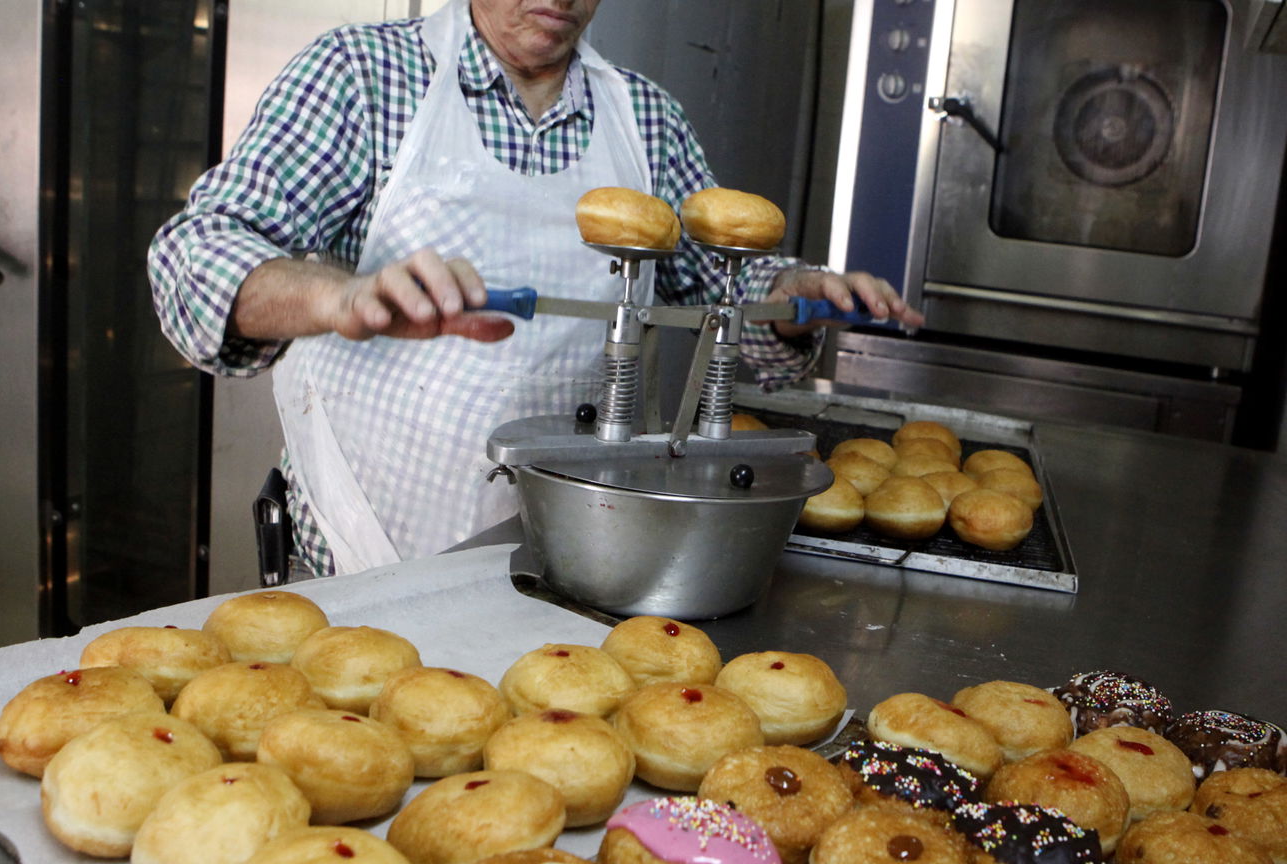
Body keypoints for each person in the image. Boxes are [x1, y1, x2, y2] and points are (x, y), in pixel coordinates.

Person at [149, 0, 921, 578]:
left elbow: (719, 285)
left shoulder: (644, 118)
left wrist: (793, 293)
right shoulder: (363, 75)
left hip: (576, 564)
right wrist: (338, 297)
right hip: (357, 562)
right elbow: (198, 250)